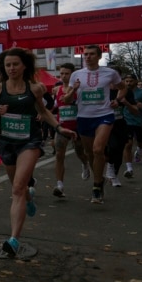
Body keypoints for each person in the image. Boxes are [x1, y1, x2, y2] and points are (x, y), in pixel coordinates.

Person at [0, 47, 75, 257]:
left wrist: (58, 128)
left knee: (18, 187)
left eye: (15, 64)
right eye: (8, 65)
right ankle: (29, 199)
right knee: (17, 187)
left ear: (24, 66)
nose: (11, 68)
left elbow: (44, 111)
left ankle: (13, 239)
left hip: (30, 141)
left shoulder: (35, 88)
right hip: (7, 143)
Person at [63, 45, 126, 204]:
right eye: (86, 54)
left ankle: (97, 186)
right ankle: (100, 178)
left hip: (104, 115)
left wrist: (117, 100)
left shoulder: (110, 73)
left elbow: (123, 88)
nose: (88, 57)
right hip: (84, 117)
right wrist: (73, 90)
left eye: (91, 54)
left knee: (98, 149)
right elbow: (67, 100)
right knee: (90, 153)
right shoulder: (77, 75)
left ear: (99, 56)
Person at [51, 63, 89, 197]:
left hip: (77, 127)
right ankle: (60, 185)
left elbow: (68, 100)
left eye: (66, 73)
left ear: (73, 74)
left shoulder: (79, 89)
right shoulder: (57, 89)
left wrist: (73, 90)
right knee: (59, 154)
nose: (63, 76)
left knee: (80, 152)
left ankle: (85, 163)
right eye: (61, 73)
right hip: (62, 126)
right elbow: (56, 105)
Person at [122, 74, 142, 174]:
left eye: (130, 81)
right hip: (127, 121)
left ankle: (139, 151)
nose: (128, 83)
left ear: (136, 81)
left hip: (141, 121)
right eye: (126, 81)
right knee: (128, 144)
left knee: (141, 143)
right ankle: (129, 168)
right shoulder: (122, 92)